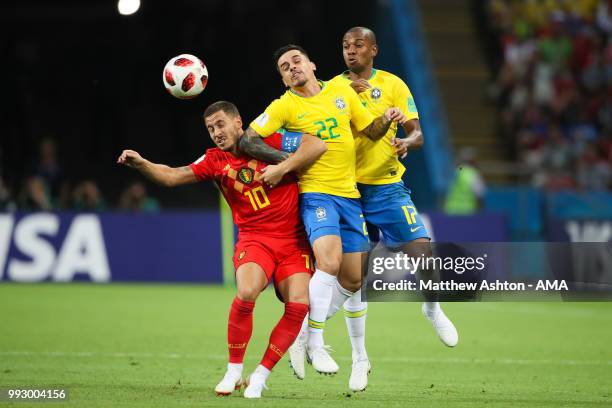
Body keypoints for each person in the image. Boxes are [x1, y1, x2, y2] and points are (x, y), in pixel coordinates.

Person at [117, 101, 327, 399]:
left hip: (293, 241)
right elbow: (173, 176)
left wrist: (284, 166)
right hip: (255, 240)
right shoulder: (215, 160)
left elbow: (314, 146)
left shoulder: (271, 139)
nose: (216, 132)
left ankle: (261, 374)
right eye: (210, 128)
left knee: (298, 304)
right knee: (246, 291)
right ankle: (234, 370)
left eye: (220, 124)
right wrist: (142, 163)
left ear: (238, 122)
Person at [237, 44, 407, 376]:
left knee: (355, 278)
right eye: (284, 67)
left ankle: (300, 331)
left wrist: (386, 119)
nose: (292, 68)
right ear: (284, 80)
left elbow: (368, 131)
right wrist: (284, 163)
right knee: (328, 263)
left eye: (296, 61)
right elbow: (247, 139)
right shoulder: (285, 105)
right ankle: (315, 341)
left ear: (312, 64)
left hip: (350, 195)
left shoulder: (341, 89)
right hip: (316, 195)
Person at [326, 27, 460, 391]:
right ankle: (359, 358)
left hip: (387, 189)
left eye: (357, 45)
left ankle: (431, 308)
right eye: (345, 46)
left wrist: (407, 141)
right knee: (355, 276)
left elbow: (418, 133)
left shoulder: (394, 84)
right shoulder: (333, 89)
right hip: (348, 191)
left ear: (374, 49)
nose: (350, 51)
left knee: (425, 255)